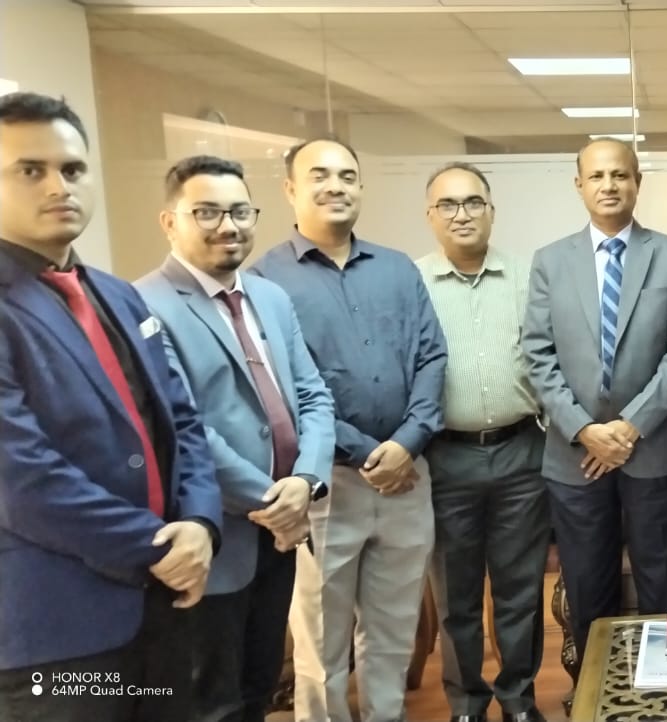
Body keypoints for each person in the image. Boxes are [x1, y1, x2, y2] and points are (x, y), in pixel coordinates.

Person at [0, 91, 222, 722]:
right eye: (30, 170)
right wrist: (158, 547)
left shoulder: (118, 296)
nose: (58, 186)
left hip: (161, 608)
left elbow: (180, 421)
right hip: (57, 630)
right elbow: (21, 478)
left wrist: (200, 523)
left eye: (72, 169)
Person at [250, 137, 447, 722]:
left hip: (407, 480)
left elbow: (432, 357)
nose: (335, 185)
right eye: (319, 175)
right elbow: (284, 391)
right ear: (290, 189)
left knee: (392, 634)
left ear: (360, 186)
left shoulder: (397, 268)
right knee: (320, 644)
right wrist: (369, 453)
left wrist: (407, 443)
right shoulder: (264, 282)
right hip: (323, 485)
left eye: (346, 175)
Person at [134, 154, 336, 722]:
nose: (229, 225)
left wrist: (306, 482)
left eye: (240, 212)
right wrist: (274, 502)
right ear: (169, 221)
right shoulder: (143, 304)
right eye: (207, 212)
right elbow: (184, 428)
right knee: (213, 701)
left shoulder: (270, 297)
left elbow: (314, 396)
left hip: (281, 535)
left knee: (259, 685)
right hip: (215, 536)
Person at [523, 138, 667, 669]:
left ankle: (664, 688)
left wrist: (629, 427)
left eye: (620, 175)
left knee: (657, 581)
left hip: (652, 448)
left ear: (637, 182)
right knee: (587, 584)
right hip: (575, 455)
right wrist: (585, 430)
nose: (609, 185)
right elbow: (537, 354)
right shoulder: (550, 261)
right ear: (579, 185)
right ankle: (596, 689)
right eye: (597, 176)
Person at [416, 162, 550, 722]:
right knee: (457, 596)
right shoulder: (413, 283)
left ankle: (518, 700)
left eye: (473, 202)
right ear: (430, 216)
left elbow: (550, 357)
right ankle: (467, 704)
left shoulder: (527, 276)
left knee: (520, 591)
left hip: (522, 454)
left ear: (492, 211)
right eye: (448, 205)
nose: (462, 214)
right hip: (445, 458)